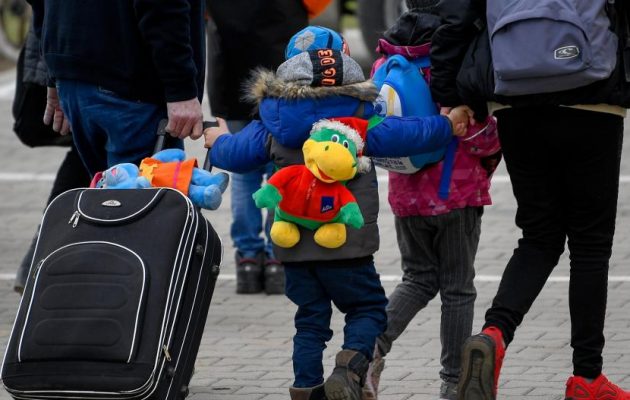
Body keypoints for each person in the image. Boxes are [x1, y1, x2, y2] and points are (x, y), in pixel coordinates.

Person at [204, 34, 472, 399]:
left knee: (310, 320)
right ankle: (349, 368)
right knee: (368, 310)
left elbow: (234, 155)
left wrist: (217, 140)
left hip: (294, 246)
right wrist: (448, 124)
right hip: (349, 244)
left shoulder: (272, 119)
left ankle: (306, 388)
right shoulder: (359, 117)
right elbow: (409, 135)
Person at [429, 0, 629, 399]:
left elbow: (454, 17)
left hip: (515, 96)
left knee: (539, 236)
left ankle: (494, 332)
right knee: (590, 244)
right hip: (594, 95)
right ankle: (587, 379)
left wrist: (450, 93)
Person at [365, 2, 501, 399]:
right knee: (458, 288)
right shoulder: (457, 60)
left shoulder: (385, 62)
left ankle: (366, 353)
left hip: (406, 194)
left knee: (417, 278)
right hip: (455, 194)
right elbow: (481, 137)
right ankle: (452, 382)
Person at [26, 0, 206, 176]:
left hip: (73, 74)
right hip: (129, 82)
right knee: (141, 201)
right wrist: (180, 89)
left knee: (107, 198)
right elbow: (161, 6)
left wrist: (54, 72)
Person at [205, 0, 309, 294]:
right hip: (285, 91)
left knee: (244, 175)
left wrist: (218, 107)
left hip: (234, 87)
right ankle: (278, 255)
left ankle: (248, 259)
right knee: (283, 170)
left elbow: (213, 42)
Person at [12, 25, 91, 294]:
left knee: (85, 153)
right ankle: (44, 261)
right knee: (88, 152)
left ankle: (40, 260)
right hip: (75, 56)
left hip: (66, 55)